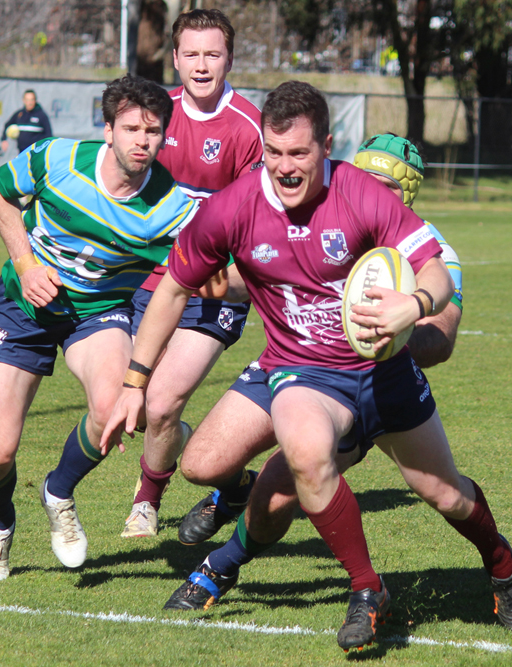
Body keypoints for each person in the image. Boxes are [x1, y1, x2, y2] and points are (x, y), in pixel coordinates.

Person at [103, 84, 512, 651]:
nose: (285, 167)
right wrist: (135, 381)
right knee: (299, 459)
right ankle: (367, 588)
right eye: (274, 153)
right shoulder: (231, 207)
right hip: (302, 370)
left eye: (299, 154)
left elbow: (435, 272)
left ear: (326, 147)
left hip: (384, 374)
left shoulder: (362, 195)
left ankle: (502, 566)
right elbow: (173, 288)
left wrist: (414, 305)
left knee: (446, 494)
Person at [154, 134, 465, 621]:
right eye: (365, 176)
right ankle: (231, 491)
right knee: (201, 464)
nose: (371, 188)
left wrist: (394, 332)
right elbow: (263, 268)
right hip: (288, 361)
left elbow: (441, 340)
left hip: (360, 383)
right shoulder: (329, 209)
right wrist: (221, 281)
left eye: (385, 183)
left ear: (406, 192)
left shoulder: (429, 248)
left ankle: (221, 567)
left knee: (282, 487)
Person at [0, 75, 197, 582]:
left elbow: (216, 267)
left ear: (165, 136)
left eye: (153, 131)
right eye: (131, 129)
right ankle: (0, 525)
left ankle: (58, 491)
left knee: (114, 406)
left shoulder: (172, 207)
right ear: (108, 129)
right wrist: (26, 265)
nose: (142, 141)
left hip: (97, 313)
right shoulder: (57, 159)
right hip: (22, 306)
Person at [120, 8, 264, 540]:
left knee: (160, 402)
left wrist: (227, 271)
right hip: (150, 281)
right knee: (133, 405)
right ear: (175, 59)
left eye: (213, 54)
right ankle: (233, 480)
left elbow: (258, 217)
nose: (202, 65)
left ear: (229, 59)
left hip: (213, 289)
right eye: (192, 54)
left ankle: (146, 501)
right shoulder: (155, 116)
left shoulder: (249, 127)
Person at [0, 90, 53, 154]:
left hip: (36, 154)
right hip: (22, 153)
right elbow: (7, 125)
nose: (29, 103)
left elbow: (49, 135)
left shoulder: (41, 115)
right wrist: (4, 140)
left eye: (31, 100)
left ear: (35, 101)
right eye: (27, 100)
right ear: (24, 100)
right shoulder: (19, 114)